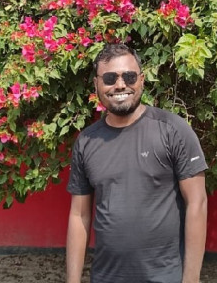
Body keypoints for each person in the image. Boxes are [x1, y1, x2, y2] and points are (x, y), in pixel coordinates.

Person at [66, 42, 208, 283]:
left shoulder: (173, 130)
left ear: (141, 80)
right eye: (110, 78)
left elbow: (197, 203)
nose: (120, 84)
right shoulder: (87, 142)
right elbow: (79, 215)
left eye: (129, 76)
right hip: (106, 277)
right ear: (97, 84)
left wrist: (191, 279)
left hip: (165, 277)